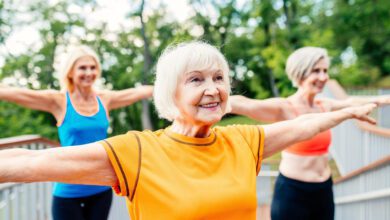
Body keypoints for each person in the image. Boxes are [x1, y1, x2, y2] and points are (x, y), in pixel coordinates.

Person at [0, 42, 379, 220]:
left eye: (219, 77)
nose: (213, 88)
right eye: (196, 80)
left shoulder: (243, 140)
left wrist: (346, 112)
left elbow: (303, 124)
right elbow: (29, 162)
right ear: (171, 93)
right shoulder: (137, 152)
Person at [229, 46, 390, 220]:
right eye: (316, 71)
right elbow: (246, 104)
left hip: (323, 189)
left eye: (325, 71)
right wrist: (214, 97)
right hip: (293, 192)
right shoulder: (284, 108)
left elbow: (351, 102)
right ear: (300, 73)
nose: (323, 77)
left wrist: (383, 99)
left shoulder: (324, 105)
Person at [0, 45, 153, 220]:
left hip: (100, 189)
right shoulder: (58, 101)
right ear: (70, 72)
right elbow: (17, 93)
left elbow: (137, 92)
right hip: (68, 193)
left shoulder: (104, 99)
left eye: (93, 67)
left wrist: (173, 87)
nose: (89, 72)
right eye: (82, 67)